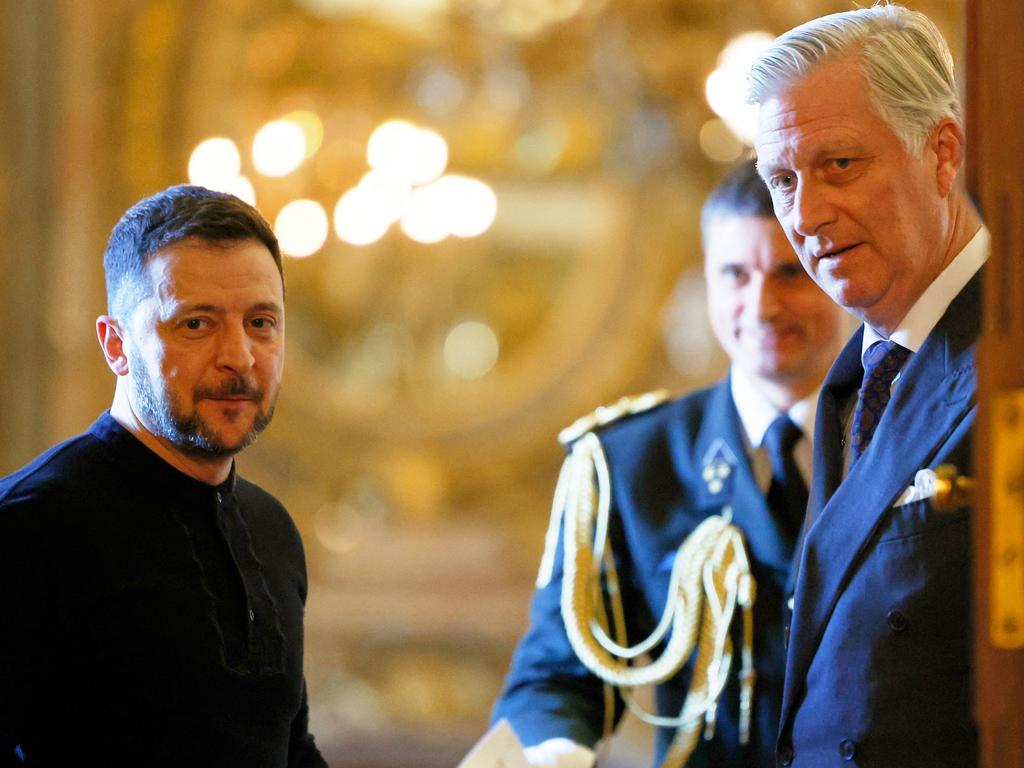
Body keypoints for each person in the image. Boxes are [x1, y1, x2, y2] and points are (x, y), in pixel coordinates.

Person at [491, 159, 846, 768]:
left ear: (837, 276)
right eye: (734, 275)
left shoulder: (903, 440)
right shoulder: (633, 461)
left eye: (791, 273)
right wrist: (558, 751)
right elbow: (557, 674)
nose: (760, 305)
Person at [0, 185, 327, 767]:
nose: (240, 357)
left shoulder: (271, 527)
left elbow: (290, 751)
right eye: (196, 324)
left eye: (261, 322)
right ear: (117, 345)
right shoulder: (30, 525)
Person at [748, 4, 985, 767]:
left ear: (942, 153)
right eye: (783, 180)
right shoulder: (854, 377)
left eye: (839, 165)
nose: (807, 215)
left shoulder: (1007, 360)